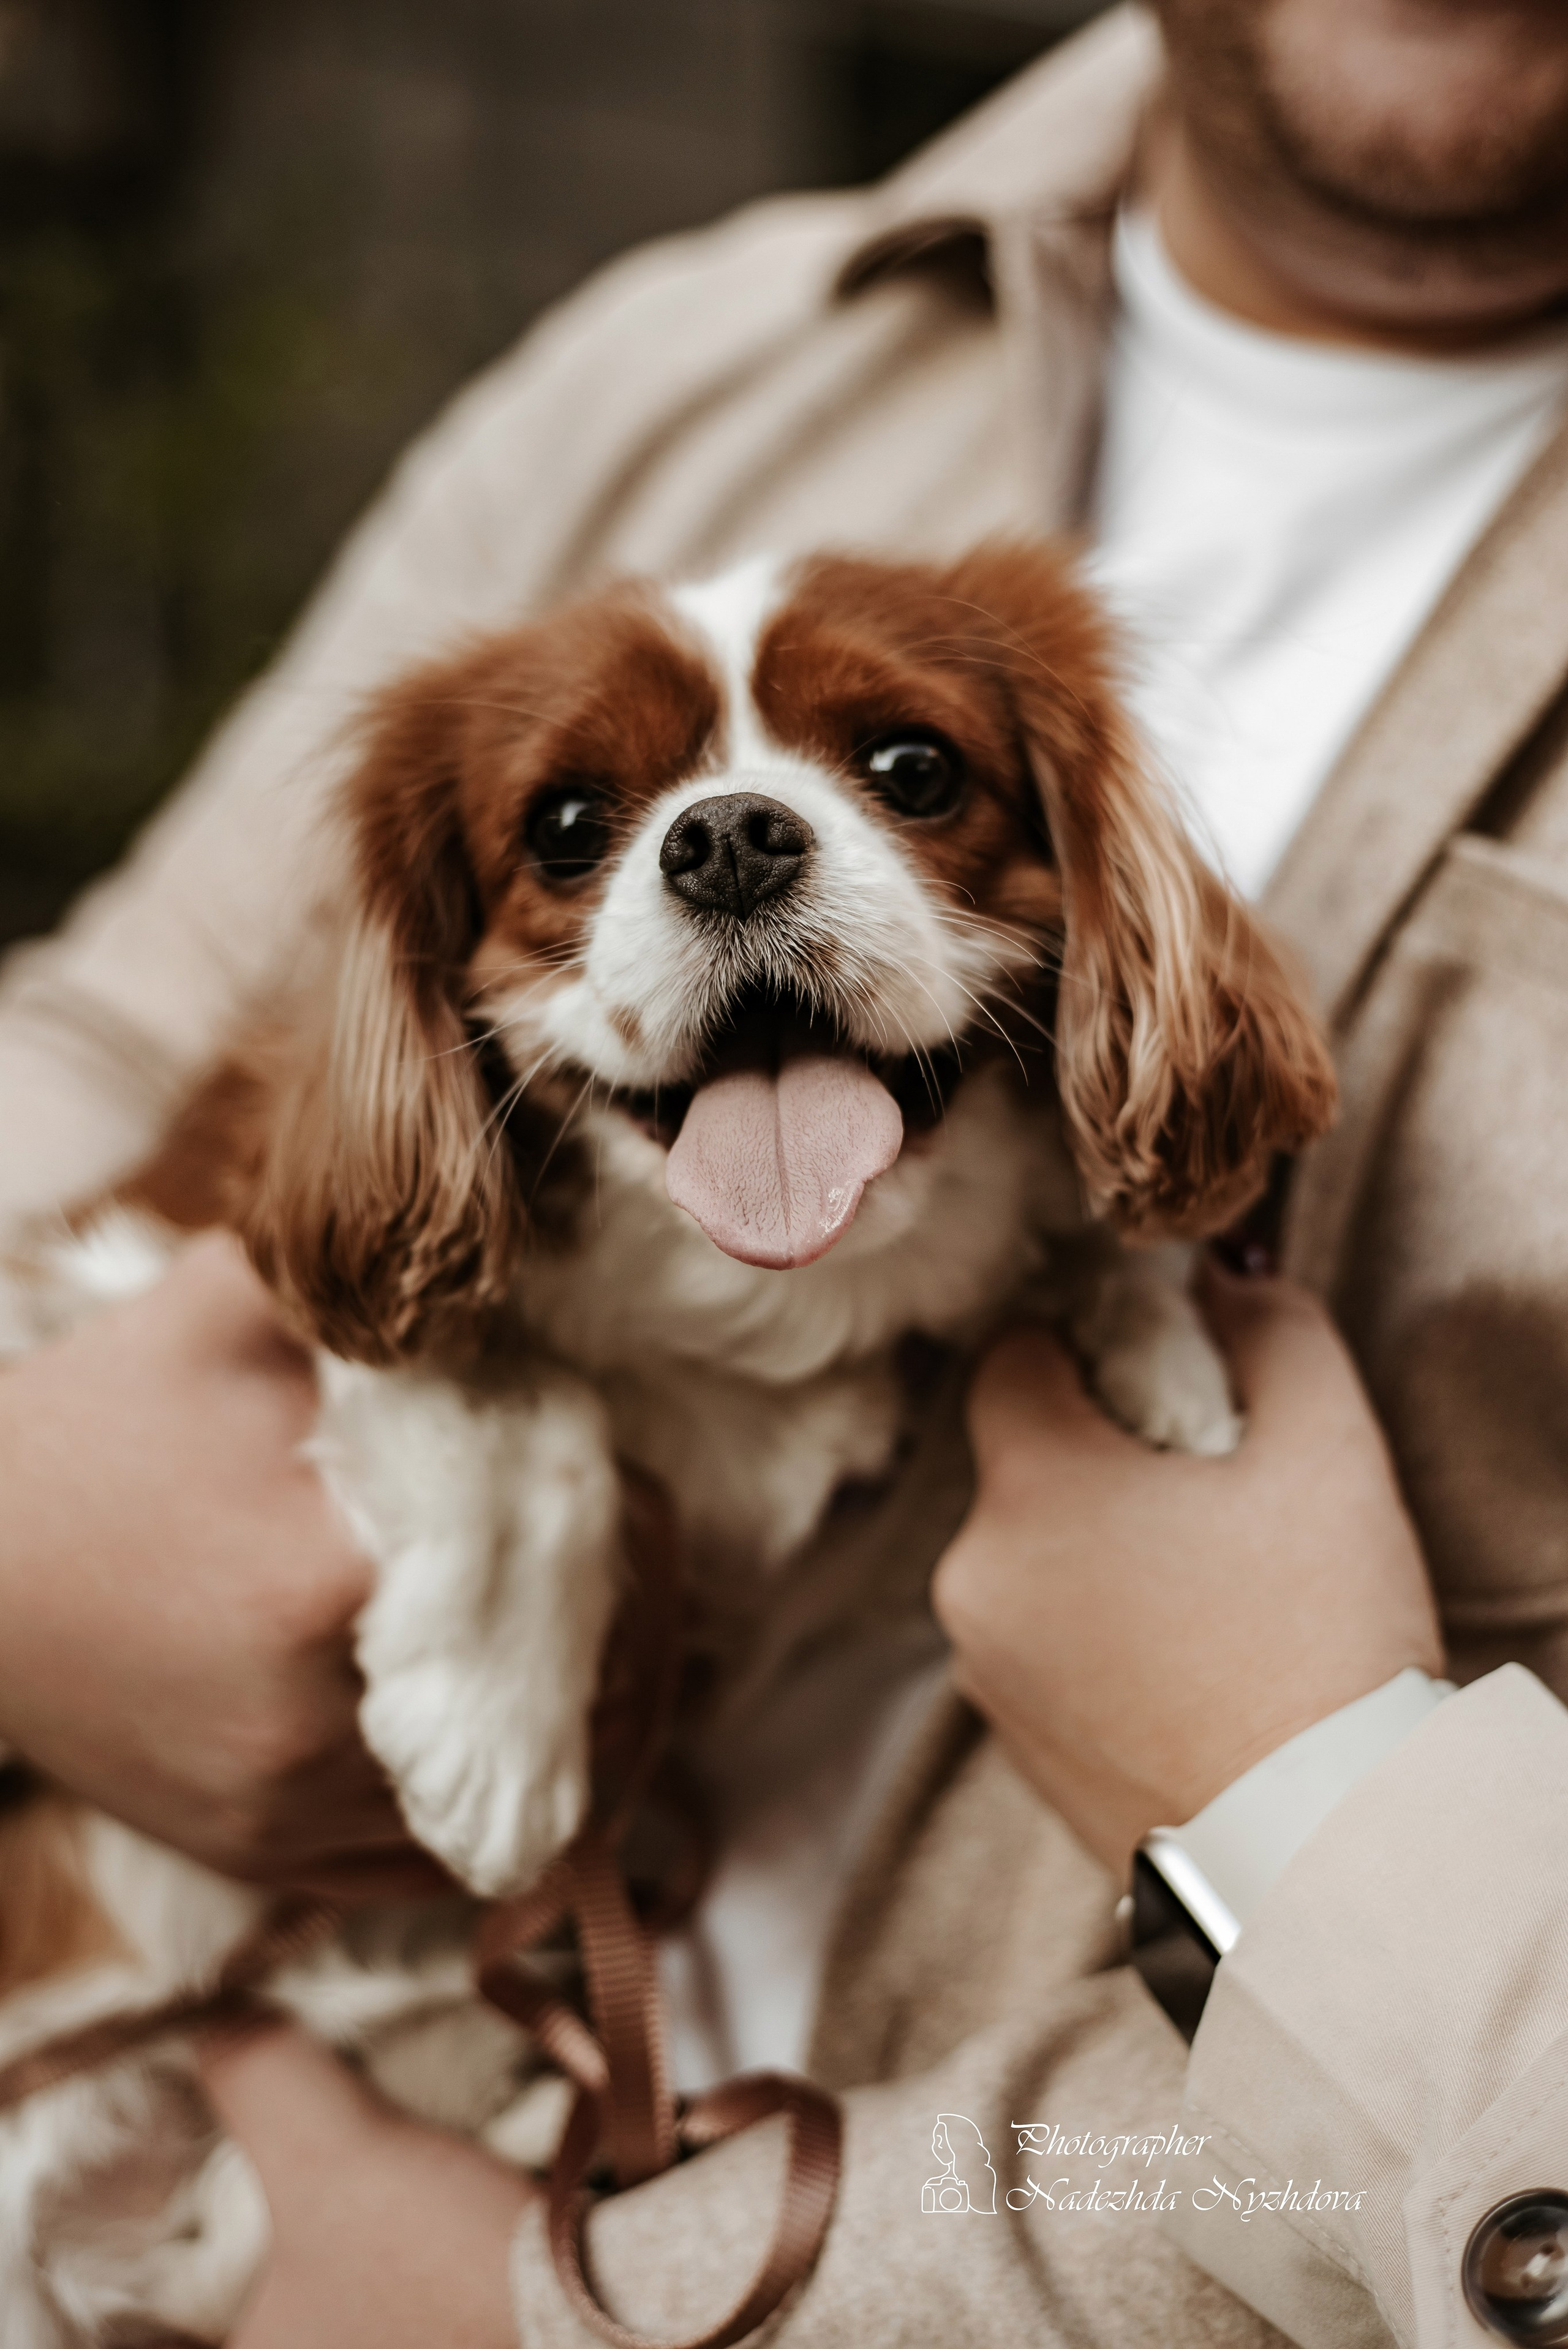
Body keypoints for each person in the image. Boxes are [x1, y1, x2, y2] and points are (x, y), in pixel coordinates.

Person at [2, 2, 1567, 2341]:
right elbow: (111, 1037)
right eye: (582, 822)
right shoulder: (692, 347)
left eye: (908, 774)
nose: (731, 836)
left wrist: (535, 2297)